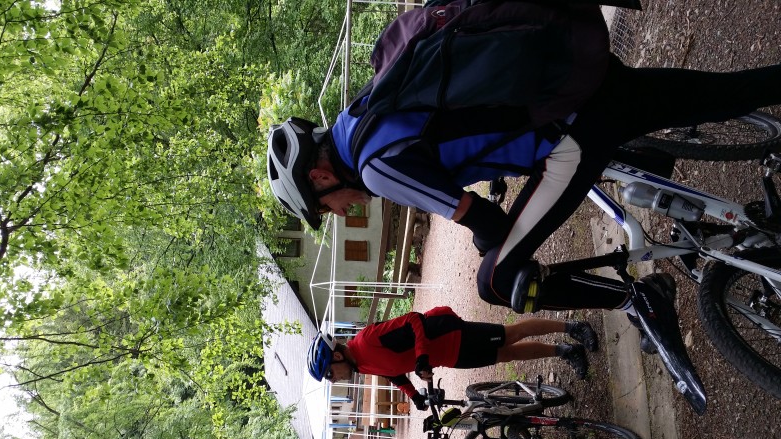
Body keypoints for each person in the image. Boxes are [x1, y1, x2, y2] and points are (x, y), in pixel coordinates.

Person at [267, 46, 781, 347]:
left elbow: (486, 220)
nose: (342, 213)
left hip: (567, 134)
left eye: (326, 209)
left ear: (320, 177)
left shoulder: (375, 168)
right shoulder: (360, 113)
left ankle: (640, 300)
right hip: (577, 75)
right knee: (725, 94)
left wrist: (488, 243)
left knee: (494, 281)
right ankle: (687, 192)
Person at [306, 306, 598, 410]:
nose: (334, 380)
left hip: (450, 334)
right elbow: (393, 372)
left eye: (329, 374)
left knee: (509, 335)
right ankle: (565, 352)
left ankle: (573, 327)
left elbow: (414, 320)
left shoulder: (367, 341)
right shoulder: (361, 364)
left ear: (336, 355)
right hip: (451, 356)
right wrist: (413, 396)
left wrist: (421, 357)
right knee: (506, 355)